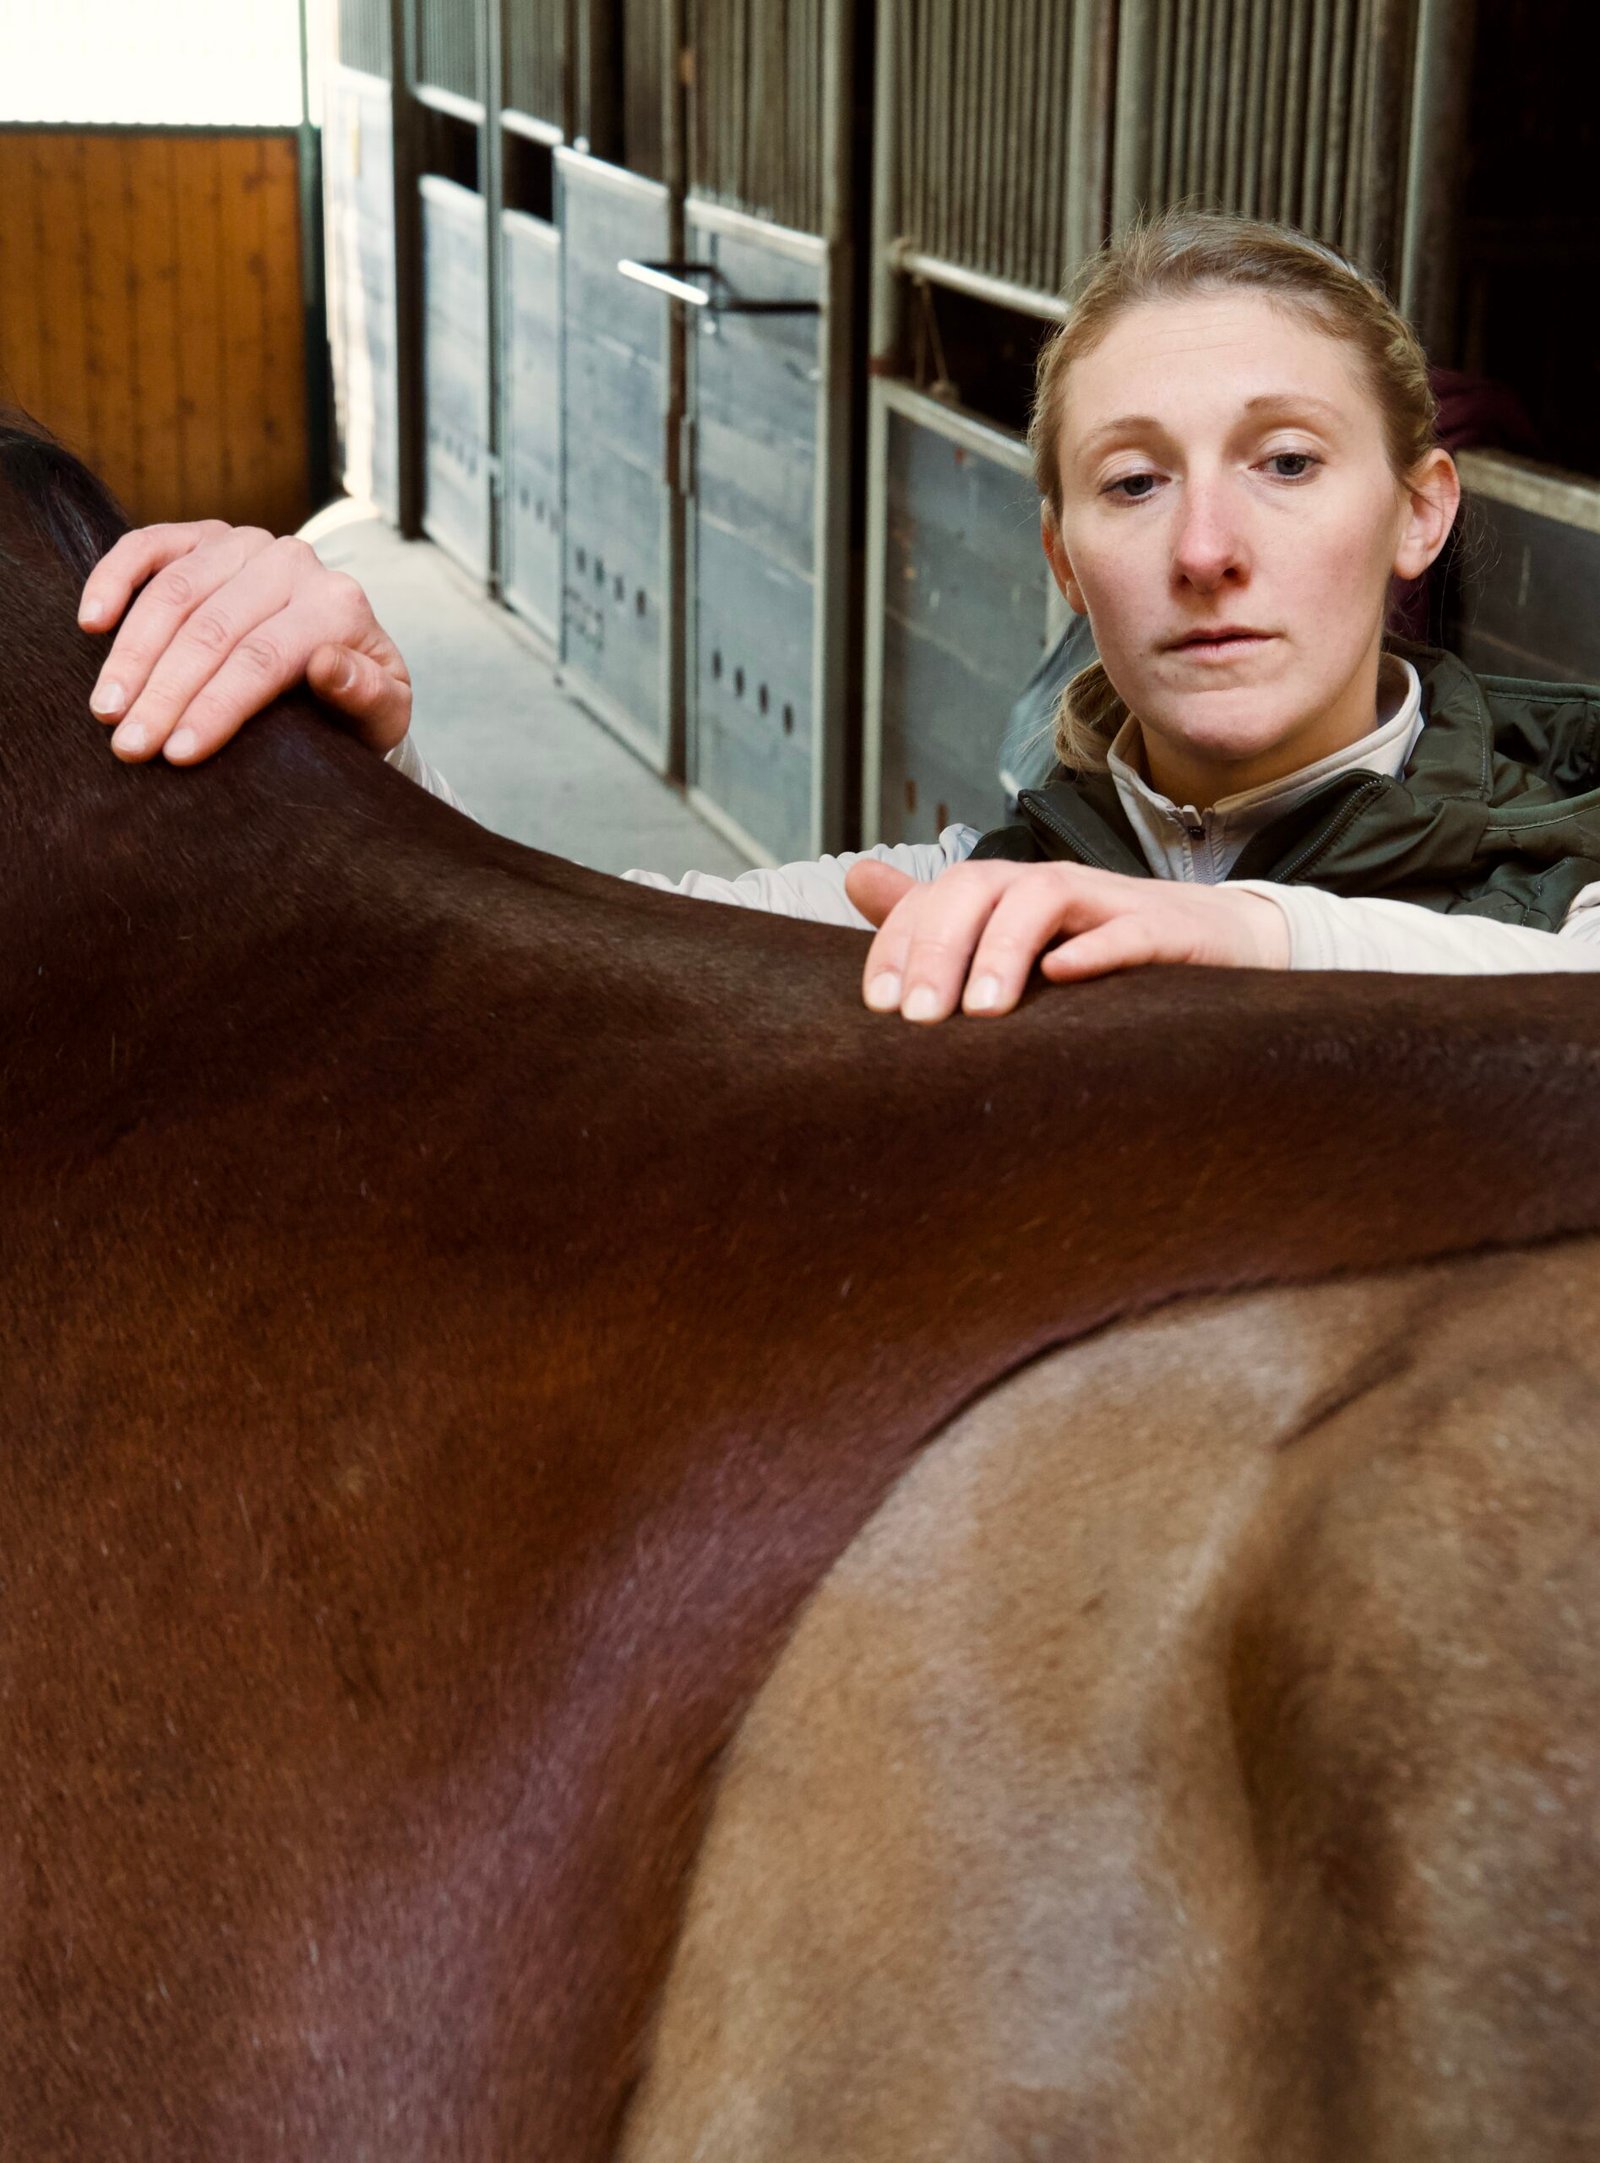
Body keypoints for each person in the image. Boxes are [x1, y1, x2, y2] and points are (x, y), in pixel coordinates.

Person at [75, 211, 1600, 1019]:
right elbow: (583, 944)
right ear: (1066, 562)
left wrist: (1242, 935)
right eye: (1132, 485)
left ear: (1420, 511)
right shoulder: (978, 883)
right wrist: (373, 736)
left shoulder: (1566, 842)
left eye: (1284, 462)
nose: (1208, 546)